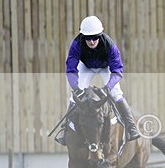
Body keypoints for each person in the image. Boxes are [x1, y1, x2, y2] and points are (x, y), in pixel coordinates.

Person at [55, 15, 140, 145]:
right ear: (83, 36)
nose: (92, 41)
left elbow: (117, 71)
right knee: (74, 96)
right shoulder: (76, 44)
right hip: (86, 67)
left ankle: (131, 126)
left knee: (116, 93)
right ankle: (66, 131)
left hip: (105, 67)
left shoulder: (110, 45)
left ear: (100, 35)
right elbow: (71, 69)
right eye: (88, 38)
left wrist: (108, 88)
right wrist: (76, 87)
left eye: (95, 37)